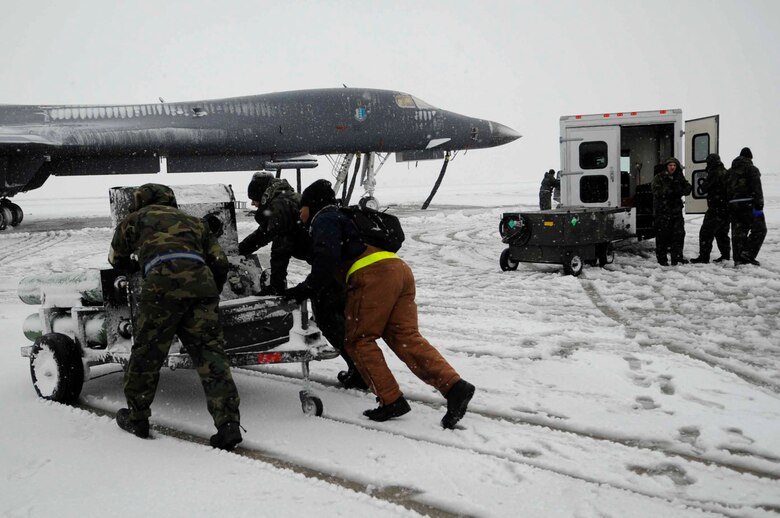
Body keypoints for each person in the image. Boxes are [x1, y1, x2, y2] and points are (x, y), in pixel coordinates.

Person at [285, 179, 475, 429]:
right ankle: (455, 387)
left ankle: (391, 400)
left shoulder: (324, 218)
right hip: (398, 269)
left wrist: (303, 290)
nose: (300, 215)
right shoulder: (346, 216)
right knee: (404, 336)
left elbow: (326, 261)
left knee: (358, 340)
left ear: (312, 205)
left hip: (372, 274)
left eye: (302, 209)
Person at [108, 183, 242, 451]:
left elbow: (115, 259)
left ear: (140, 201)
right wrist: (208, 290)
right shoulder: (195, 222)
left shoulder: (134, 220)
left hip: (160, 287)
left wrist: (138, 264)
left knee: (148, 352)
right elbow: (220, 262)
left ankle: (138, 418)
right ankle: (228, 425)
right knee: (210, 356)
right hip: (201, 285)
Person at [238, 173, 367, 389]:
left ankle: (361, 372)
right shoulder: (287, 200)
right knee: (341, 319)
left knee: (330, 319)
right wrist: (239, 250)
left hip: (328, 269)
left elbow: (280, 247)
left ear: (263, 195)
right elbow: (264, 234)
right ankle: (360, 368)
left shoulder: (280, 207)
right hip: (336, 266)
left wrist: (277, 286)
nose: (252, 203)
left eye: (255, 198)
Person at [726, 147, 766, 266]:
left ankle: (738, 259)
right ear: (750, 157)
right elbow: (756, 187)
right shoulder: (751, 169)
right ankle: (748, 253)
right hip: (750, 205)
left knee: (738, 232)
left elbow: (726, 189)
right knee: (760, 229)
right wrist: (759, 204)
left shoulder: (729, 171)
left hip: (734, 206)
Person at [651, 157, 692, 266]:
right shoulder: (659, 177)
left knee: (678, 235)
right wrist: (671, 191)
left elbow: (688, 188)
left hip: (676, 212)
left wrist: (681, 190)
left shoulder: (679, 177)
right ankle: (662, 259)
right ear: (666, 166)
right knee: (662, 236)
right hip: (663, 212)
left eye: (674, 165)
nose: (672, 167)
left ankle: (677, 257)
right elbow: (656, 190)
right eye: (670, 165)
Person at [691, 153, 731, 263]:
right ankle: (725, 256)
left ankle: (704, 257)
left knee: (706, 233)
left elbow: (704, 188)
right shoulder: (725, 172)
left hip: (716, 209)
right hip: (726, 209)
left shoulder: (714, 172)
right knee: (722, 234)